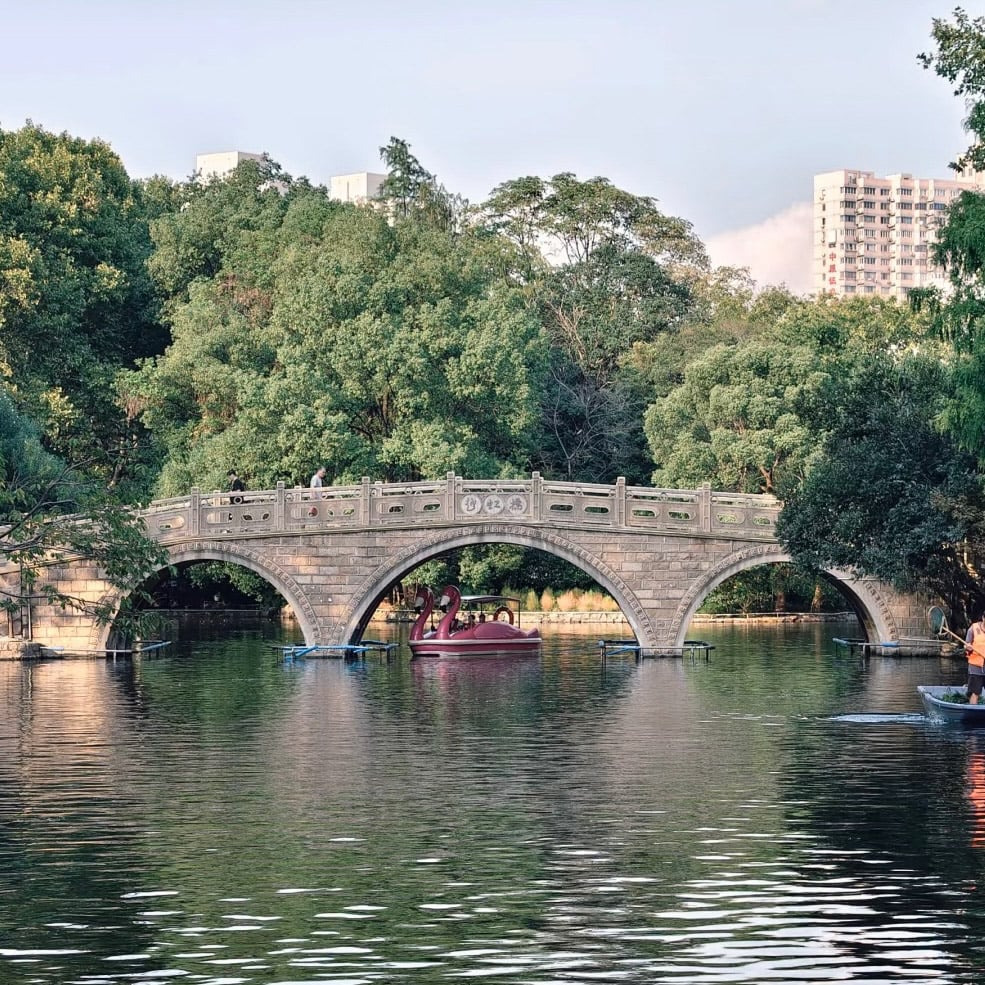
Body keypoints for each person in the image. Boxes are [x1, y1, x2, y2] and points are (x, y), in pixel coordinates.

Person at [966, 611, 985, 704]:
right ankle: (972, 713)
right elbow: (967, 645)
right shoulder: (973, 629)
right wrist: (968, 647)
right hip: (976, 666)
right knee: (975, 692)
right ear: (983, 618)